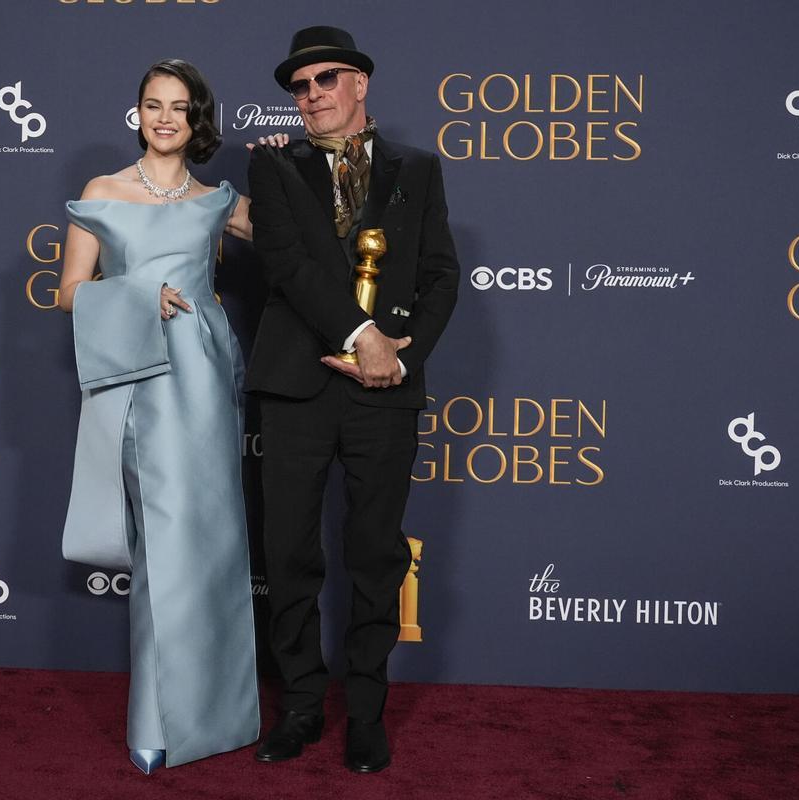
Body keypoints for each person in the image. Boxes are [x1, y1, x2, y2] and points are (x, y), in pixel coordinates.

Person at [246, 26, 461, 773]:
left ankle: (366, 713)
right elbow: (288, 265)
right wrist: (362, 333)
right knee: (289, 554)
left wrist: (401, 359)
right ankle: (302, 706)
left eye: (325, 80)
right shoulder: (273, 165)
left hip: (385, 392)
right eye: (299, 88)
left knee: (375, 555)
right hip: (298, 385)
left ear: (360, 83)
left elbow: (441, 276)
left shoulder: (419, 169)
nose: (311, 96)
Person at [57, 59, 258, 774]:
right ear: (136, 113)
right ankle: (157, 719)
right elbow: (68, 291)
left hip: (204, 382)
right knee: (164, 548)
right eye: (152, 104)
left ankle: (223, 717)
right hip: (140, 380)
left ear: (197, 118)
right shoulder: (103, 192)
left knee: (214, 546)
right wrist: (139, 296)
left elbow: (298, 250)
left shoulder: (218, 201)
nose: (164, 116)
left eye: (178, 106)